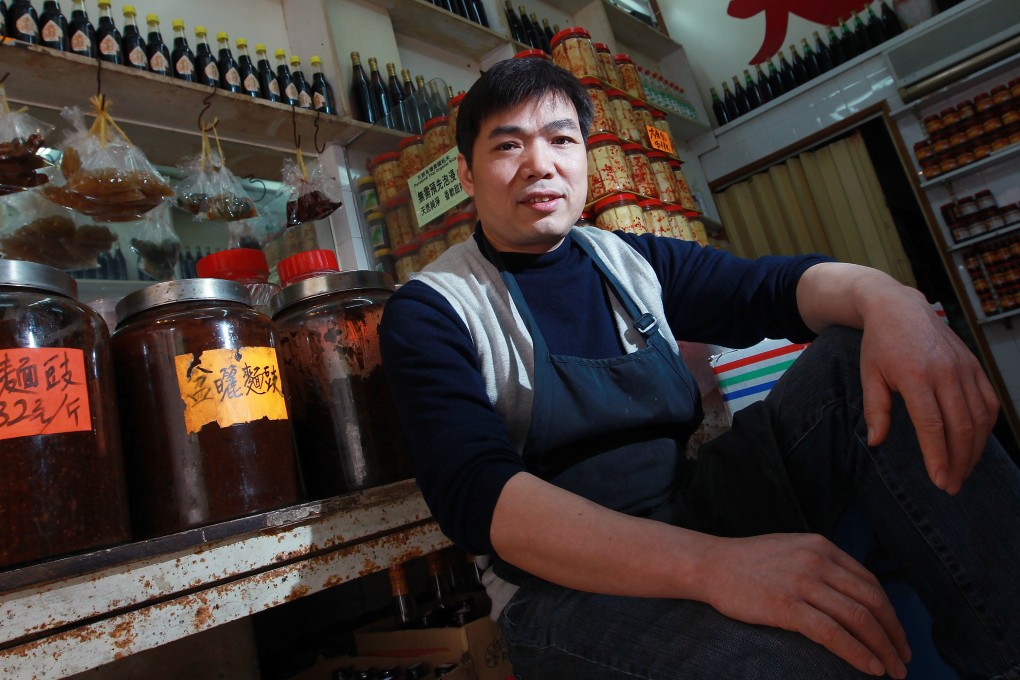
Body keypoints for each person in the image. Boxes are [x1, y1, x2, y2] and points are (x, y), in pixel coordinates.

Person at [378, 56, 1020, 679]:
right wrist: (717, 568)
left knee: (855, 356)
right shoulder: (433, 310)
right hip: (559, 590)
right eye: (508, 146)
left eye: (561, 139)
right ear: (466, 173)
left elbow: (771, 288)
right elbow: (483, 502)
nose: (540, 165)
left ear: (586, 160)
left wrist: (890, 301)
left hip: (690, 508)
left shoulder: (629, 262)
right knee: (797, 663)